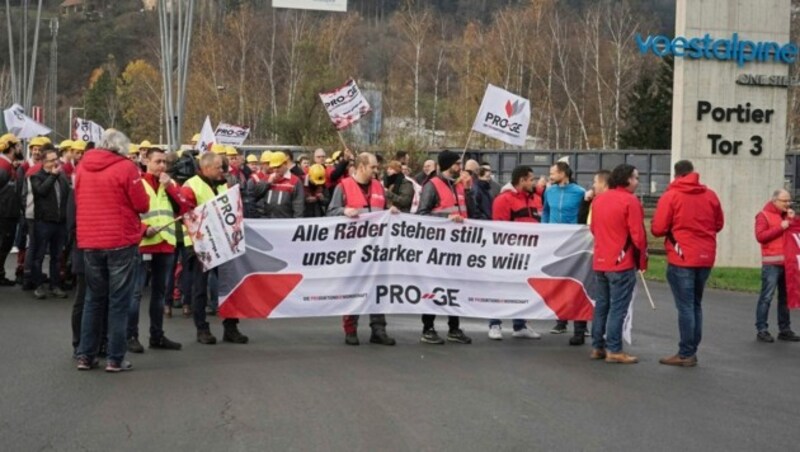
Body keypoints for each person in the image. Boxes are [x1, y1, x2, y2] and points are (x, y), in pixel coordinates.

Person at [75, 129, 150, 372]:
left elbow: (78, 199)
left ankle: (86, 355)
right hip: (119, 240)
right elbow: (142, 203)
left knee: (92, 300)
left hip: (90, 240)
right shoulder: (126, 167)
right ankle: (115, 358)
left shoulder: (82, 167)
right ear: (120, 148)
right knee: (118, 302)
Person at [651, 160, 724, 366]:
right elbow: (719, 223)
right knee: (695, 304)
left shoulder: (671, 196)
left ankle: (686, 352)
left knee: (685, 307)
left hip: (681, 256)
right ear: (693, 173)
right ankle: (691, 350)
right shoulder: (710, 195)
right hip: (705, 256)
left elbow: (658, 228)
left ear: (676, 174)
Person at [328, 153, 397, 346]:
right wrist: (344, 211)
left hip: (377, 248)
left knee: (378, 288)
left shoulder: (378, 188)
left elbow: (382, 210)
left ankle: (378, 329)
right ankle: (351, 329)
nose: (377, 171)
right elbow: (331, 211)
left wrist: (391, 212)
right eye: (373, 167)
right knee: (353, 289)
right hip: (353, 250)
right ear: (361, 166)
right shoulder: (344, 187)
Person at [181, 152, 249, 345]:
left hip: (223, 243)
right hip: (198, 245)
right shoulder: (190, 186)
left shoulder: (224, 184)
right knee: (200, 288)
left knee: (229, 286)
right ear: (206, 168)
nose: (223, 170)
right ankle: (202, 329)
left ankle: (231, 327)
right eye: (219, 167)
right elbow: (187, 215)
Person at [126, 147, 187, 354]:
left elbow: (185, 207)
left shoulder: (169, 184)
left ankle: (157, 335)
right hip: (143, 243)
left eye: (164, 162)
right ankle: (131, 336)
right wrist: (144, 230)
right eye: (158, 161)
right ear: (146, 161)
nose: (162, 166)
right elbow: (128, 212)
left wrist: (170, 186)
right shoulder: (138, 183)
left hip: (165, 243)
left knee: (160, 294)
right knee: (135, 293)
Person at [589, 163, 647, 364]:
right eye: (636, 178)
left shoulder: (599, 200)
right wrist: (641, 261)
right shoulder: (630, 201)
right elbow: (638, 236)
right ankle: (614, 349)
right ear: (627, 179)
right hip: (621, 262)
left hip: (601, 260)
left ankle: (598, 346)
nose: (637, 182)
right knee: (618, 307)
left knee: (602, 305)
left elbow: (594, 229)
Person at [416, 150, 472, 345]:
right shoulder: (432, 186)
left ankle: (454, 327)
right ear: (448, 165)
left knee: (454, 287)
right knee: (433, 286)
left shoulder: (459, 186)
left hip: (457, 246)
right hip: (437, 246)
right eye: (457, 164)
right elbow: (422, 215)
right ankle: (428, 327)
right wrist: (445, 219)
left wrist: (469, 190)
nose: (460, 167)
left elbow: (467, 212)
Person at [488, 165, 543, 340]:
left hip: (529, 252)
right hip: (508, 253)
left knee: (523, 287)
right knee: (501, 288)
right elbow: (499, 228)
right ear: (522, 180)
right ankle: (495, 324)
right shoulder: (504, 200)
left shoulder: (534, 199)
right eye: (531, 179)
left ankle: (520, 325)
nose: (533, 182)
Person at [543, 161, 587, 342]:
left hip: (573, 241)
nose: (550, 176)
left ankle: (581, 324)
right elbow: (545, 212)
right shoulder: (549, 191)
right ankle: (560, 321)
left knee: (575, 281)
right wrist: (543, 230)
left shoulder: (579, 192)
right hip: (554, 240)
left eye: (553, 173)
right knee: (557, 281)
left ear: (563, 173)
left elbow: (585, 213)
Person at [752, 188, 800, 343]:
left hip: (788, 263)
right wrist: (782, 226)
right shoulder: (763, 215)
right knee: (766, 297)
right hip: (772, 263)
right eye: (784, 201)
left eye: (789, 201)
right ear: (775, 201)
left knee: (785, 298)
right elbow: (761, 236)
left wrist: (791, 221)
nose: (788, 203)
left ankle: (784, 329)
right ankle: (762, 329)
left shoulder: (788, 216)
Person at [30, 146, 70, 299]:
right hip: (43, 222)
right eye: (52, 160)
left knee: (57, 255)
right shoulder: (36, 176)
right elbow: (41, 191)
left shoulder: (61, 176)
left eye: (56, 159)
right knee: (39, 254)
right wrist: (52, 176)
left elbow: (67, 194)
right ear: (44, 162)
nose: (56, 162)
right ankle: (38, 285)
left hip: (59, 222)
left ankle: (55, 285)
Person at [252, 152, 304, 219]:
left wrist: (296, 223)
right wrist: (267, 183)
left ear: (285, 164)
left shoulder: (295, 181)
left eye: (278, 167)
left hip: (286, 222)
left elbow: (298, 206)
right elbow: (255, 195)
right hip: (267, 221)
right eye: (273, 167)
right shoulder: (267, 178)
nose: (275, 170)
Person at [0, 133, 22, 286]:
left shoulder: (8, 166)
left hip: (8, 214)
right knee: (3, 245)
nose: (21, 147)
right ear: (12, 148)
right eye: (18, 145)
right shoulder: (3, 167)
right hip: (4, 215)